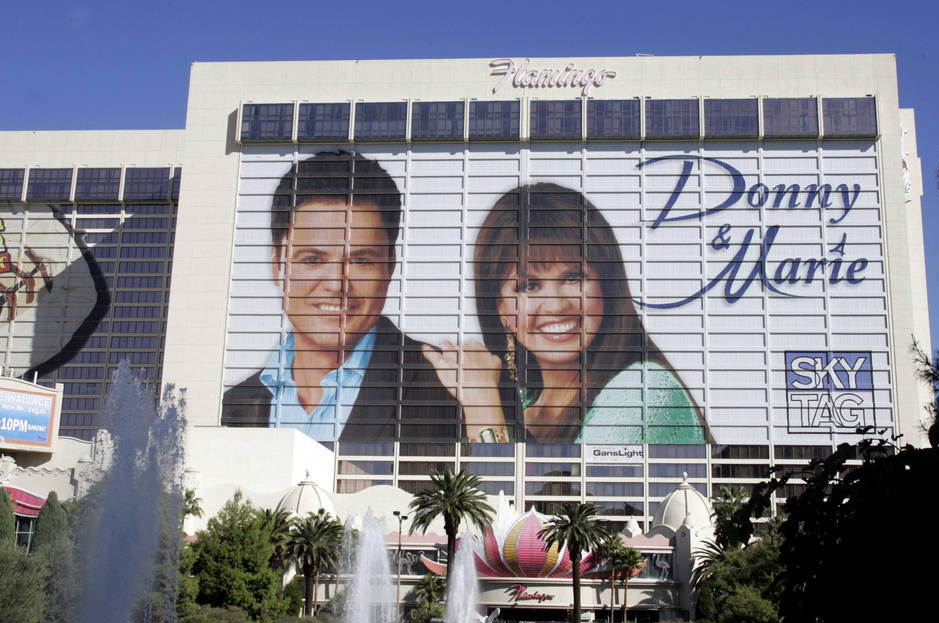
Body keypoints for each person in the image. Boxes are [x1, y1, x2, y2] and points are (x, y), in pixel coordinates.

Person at [423, 182, 707, 444]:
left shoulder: (643, 390)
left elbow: (572, 496)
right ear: (500, 310)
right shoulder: (521, 402)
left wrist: (482, 403)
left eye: (573, 278)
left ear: (606, 284)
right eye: (529, 285)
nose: (556, 305)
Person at [222, 151, 459, 444]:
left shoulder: (451, 390)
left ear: (389, 267)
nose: (336, 283)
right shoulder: (234, 406)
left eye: (360, 261)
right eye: (312, 260)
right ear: (277, 264)